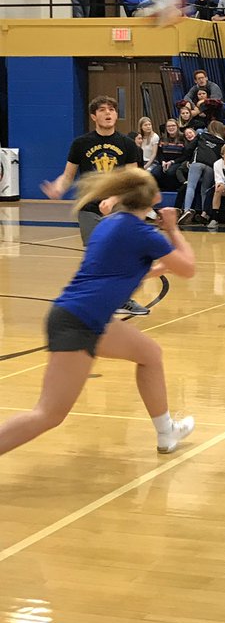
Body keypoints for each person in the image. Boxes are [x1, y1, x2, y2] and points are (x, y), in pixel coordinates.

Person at [0, 168, 197, 459]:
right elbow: (189, 268)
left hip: (88, 318)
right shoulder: (143, 233)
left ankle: (166, 431)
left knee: (150, 354)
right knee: (48, 414)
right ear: (155, 198)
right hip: (79, 324)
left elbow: (121, 273)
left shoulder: (110, 224)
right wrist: (173, 229)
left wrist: (158, 267)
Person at [41, 95, 149, 317]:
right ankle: (92, 300)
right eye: (102, 110)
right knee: (96, 256)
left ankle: (123, 299)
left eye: (111, 109)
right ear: (93, 116)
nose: (108, 113)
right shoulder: (81, 143)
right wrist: (58, 187)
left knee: (122, 255)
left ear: (116, 115)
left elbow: (133, 179)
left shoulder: (126, 144)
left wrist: (113, 199)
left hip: (119, 208)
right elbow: (68, 175)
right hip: (89, 208)